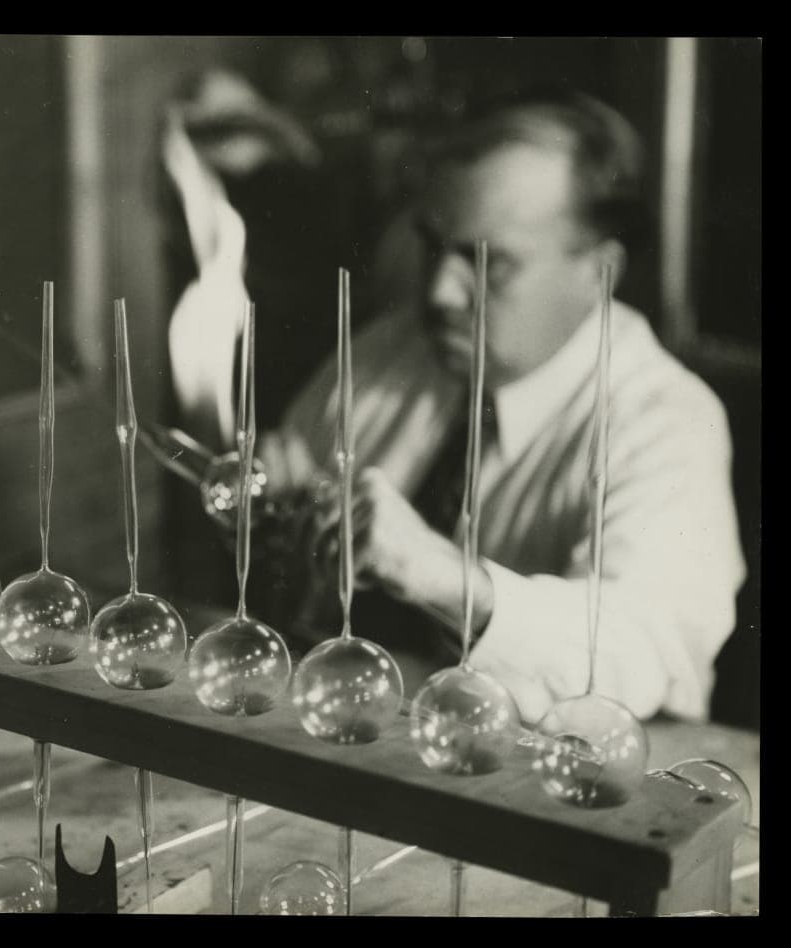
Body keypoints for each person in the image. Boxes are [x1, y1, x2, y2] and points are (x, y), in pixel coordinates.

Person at [251, 88, 745, 724]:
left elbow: (647, 652)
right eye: (434, 245)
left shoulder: (665, 419)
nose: (440, 292)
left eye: (491, 264)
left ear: (601, 272)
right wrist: (279, 527)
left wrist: (446, 579)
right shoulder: (390, 351)